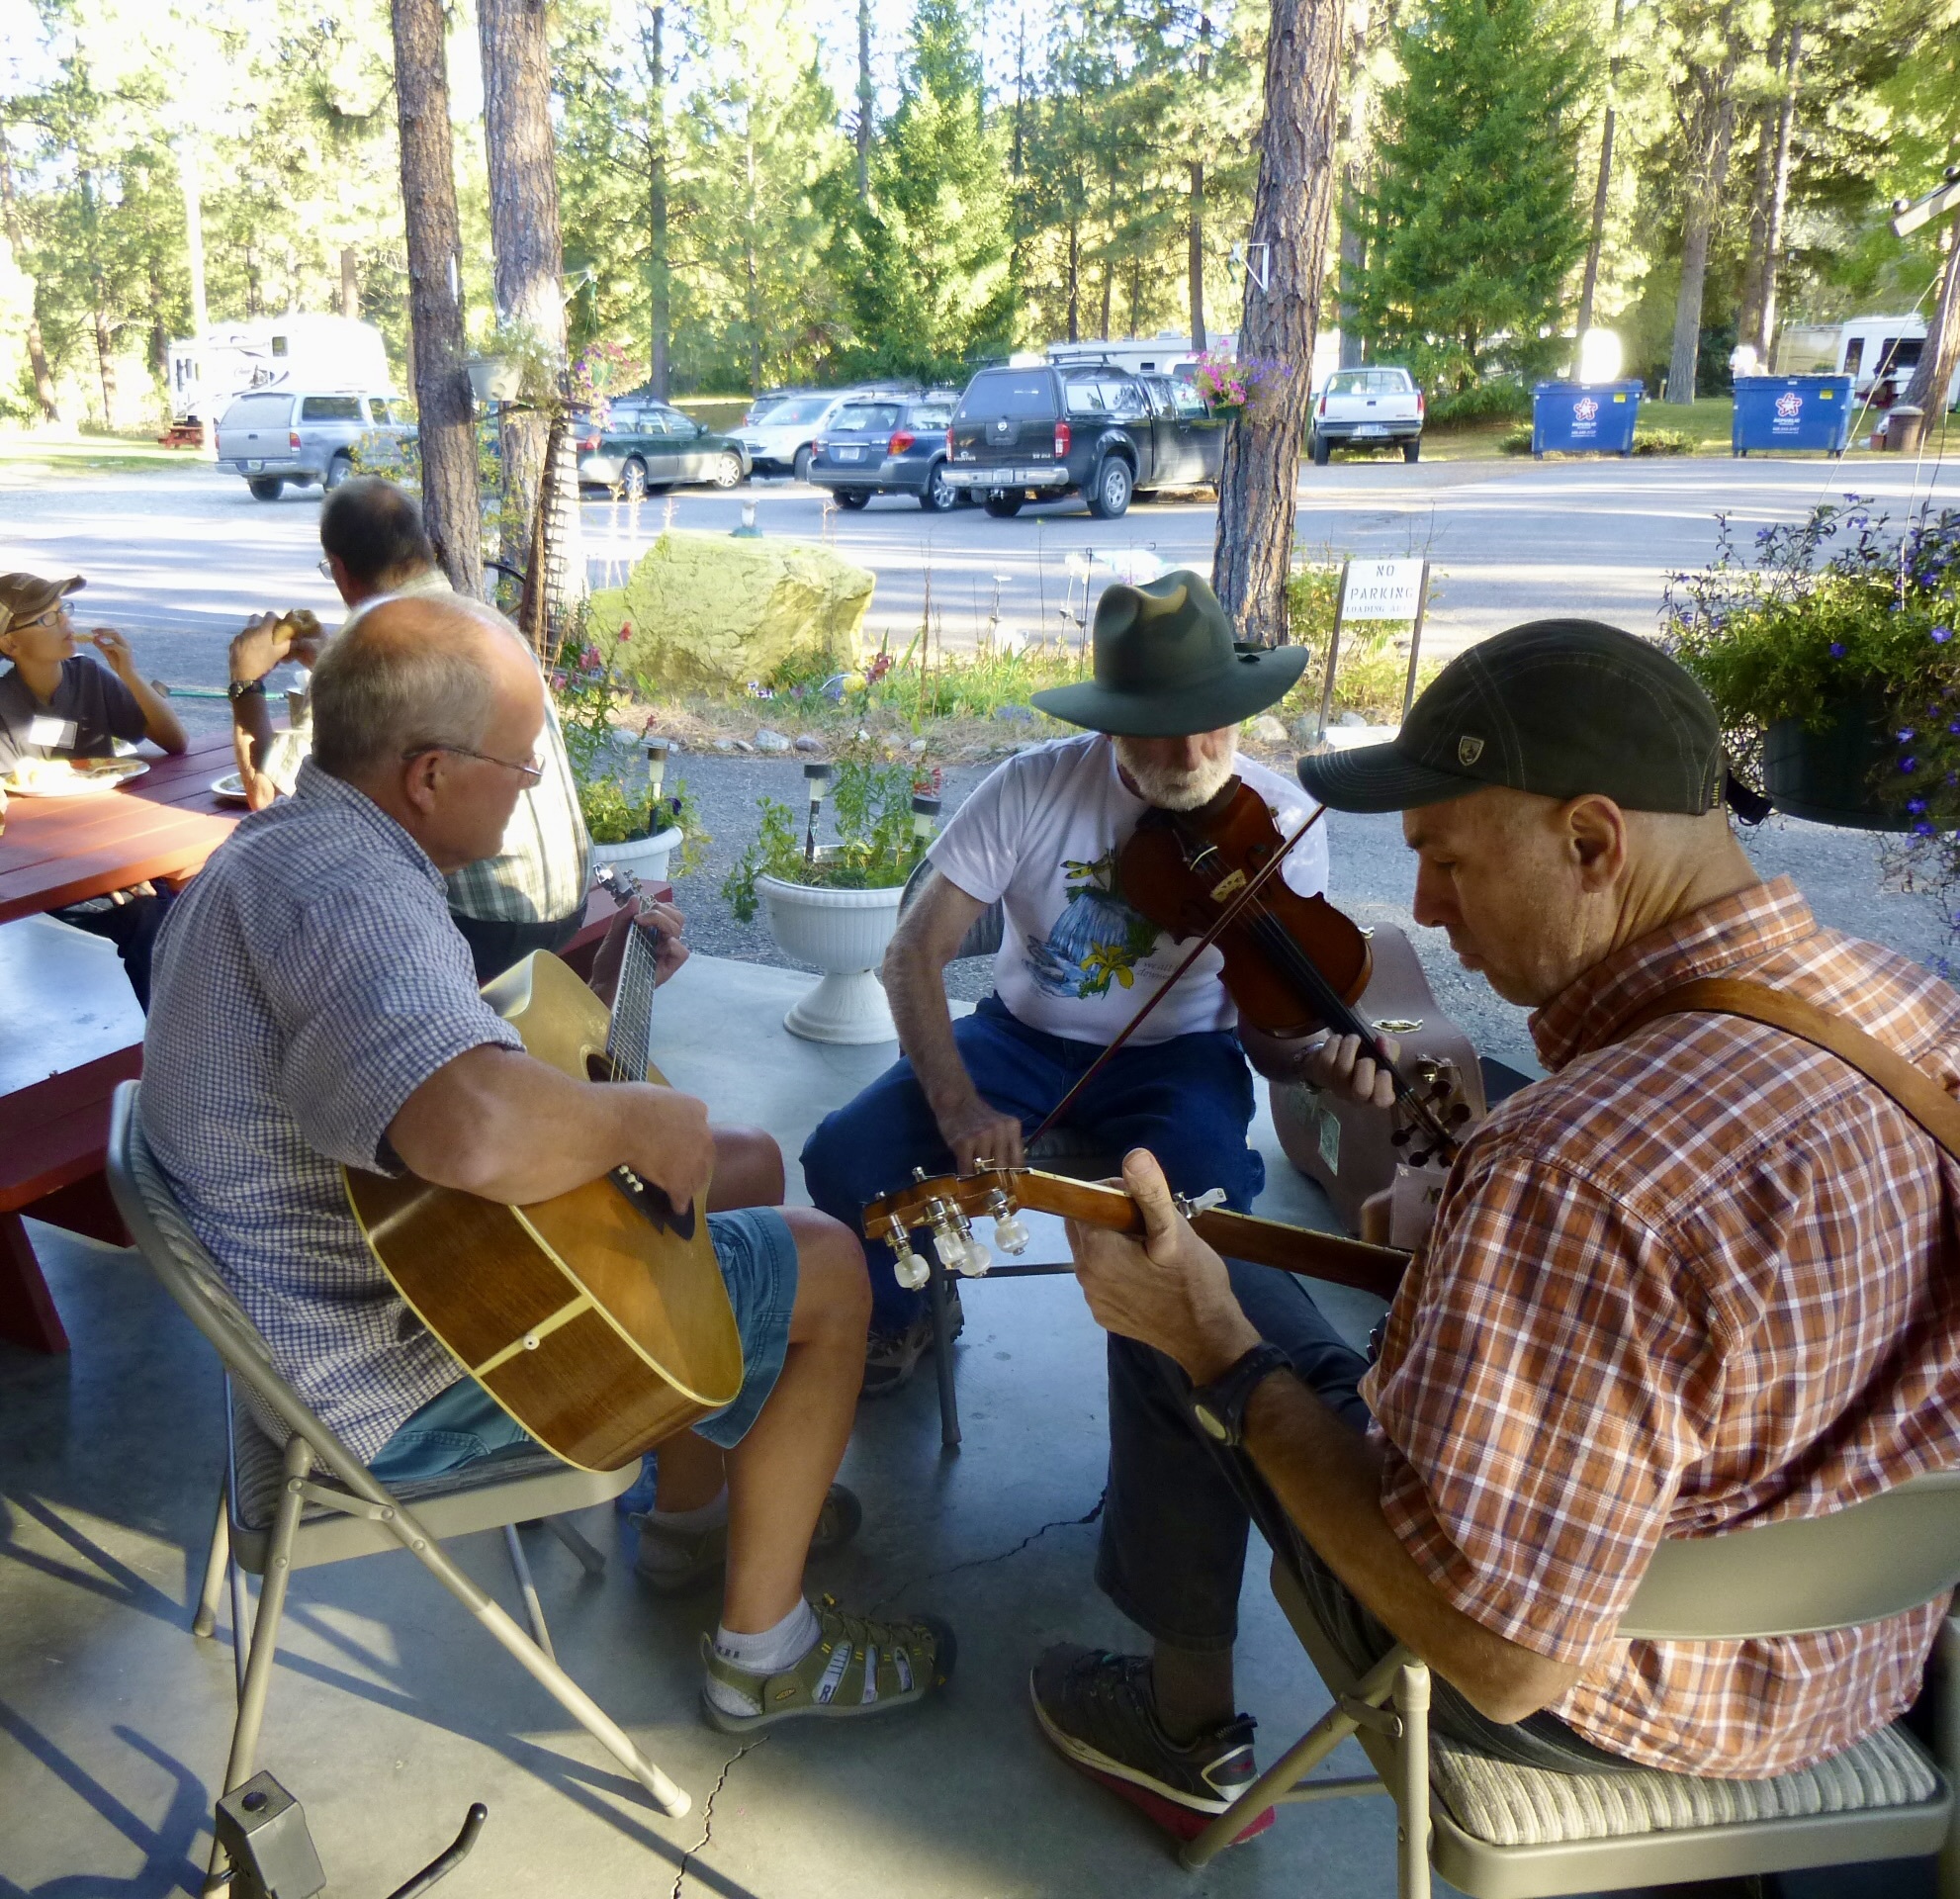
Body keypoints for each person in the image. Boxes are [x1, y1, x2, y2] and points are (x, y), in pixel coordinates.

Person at [1034, 617, 1960, 1842]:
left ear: (1589, 840)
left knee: (1191, 1291)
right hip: (1861, 1662)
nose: (1417, 905)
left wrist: (1208, 1342)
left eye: (1443, 860)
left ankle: (1180, 1725)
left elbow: (1500, 1657)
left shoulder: (1574, 1169)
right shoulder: (1917, 1017)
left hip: (1595, 1706)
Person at [143, 591, 951, 1732]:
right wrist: (628, 1125)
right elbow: (465, 1128)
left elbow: (413, 1044)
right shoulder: (350, 895)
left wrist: (597, 1021)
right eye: (521, 767)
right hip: (392, 1379)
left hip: (334, 1301)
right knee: (825, 1267)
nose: (531, 788)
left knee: (746, 1164)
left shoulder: (287, 848)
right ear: (428, 774)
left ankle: (685, 1517)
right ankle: (764, 1653)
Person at [802, 568, 1388, 1395]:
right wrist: (959, 1106)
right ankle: (904, 1318)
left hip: (1180, 1058)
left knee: (1200, 1214)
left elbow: (1267, 1046)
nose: (1191, 755)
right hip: (1017, 1038)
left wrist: (1310, 1059)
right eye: (1158, 729)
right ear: (1112, 724)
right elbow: (910, 952)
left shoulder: (1283, 821)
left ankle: (1173, 1408)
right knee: (843, 1153)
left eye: (1210, 723)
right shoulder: (1034, 785)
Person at [226, 476, 593, 984]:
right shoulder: (485, 623)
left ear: (339, 571)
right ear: (425, 547)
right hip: (567, 899)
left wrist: (245, 685)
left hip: (484, 925)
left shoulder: (376, 651)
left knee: (302, 911)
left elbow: (266, 796)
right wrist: (327, 666)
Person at [0, 571, 188, 1007]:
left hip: (119, 846)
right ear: (12, 645)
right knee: (149, 918)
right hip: (49, 863)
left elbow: (175, 742)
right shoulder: (4, 705)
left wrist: (129, 673)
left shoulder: (89, 678)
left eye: (63, 610)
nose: (65, 622)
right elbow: (15, 819)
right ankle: (176, 1059)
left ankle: (192, 1049)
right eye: (47, 619)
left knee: (182, 908)